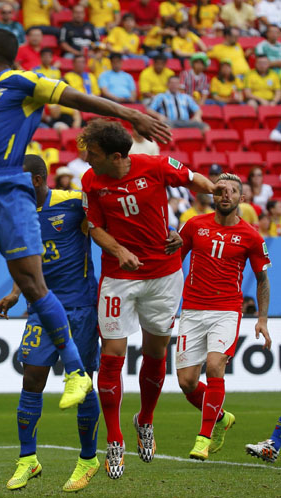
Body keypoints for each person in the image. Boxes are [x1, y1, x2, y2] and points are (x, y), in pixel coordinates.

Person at [0, 28, 170, 423]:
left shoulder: (24, 83)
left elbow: (78, 97)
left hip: (6, 188)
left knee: (32, 283)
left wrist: (129, 114)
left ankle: (75, 370)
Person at [79, 119, 218, 479]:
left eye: (91, 152)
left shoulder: (156, 166)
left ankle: (146, 420)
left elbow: (198, 183)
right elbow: (94, 228)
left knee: (156, 352)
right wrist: (119, 249)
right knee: (112, 355)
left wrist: (189, 225)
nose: (86, 157)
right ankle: (113, 439)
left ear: (115, 156)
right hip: (119, 277)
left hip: (163, 275)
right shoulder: (91, 180)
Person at [0, 154, 102, 493]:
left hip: (81, 307)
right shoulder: (16, 215)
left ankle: (88, 458)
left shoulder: (72, 204)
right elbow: (27, 260)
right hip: (41, 306)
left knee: (82, 383)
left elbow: (107, 220)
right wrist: (14, 293)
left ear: (38, 180)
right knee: (32, 376)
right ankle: (29, 459)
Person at [176, 173, 272, 461]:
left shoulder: (251, 236)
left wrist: (263, 319)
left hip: (227, 310)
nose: (225, 195)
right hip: (192, 309)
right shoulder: (194, 225)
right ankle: (221, 418)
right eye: (220, 191)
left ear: (241, 199)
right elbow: (173, 260)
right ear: (213, 197)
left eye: (232, 191)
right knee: (186, 383)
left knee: (215, 365)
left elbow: (263, 280)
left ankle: (203, 438)